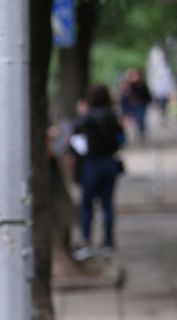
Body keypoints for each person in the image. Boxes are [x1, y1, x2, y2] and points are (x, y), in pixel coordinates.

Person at [71, 84, 125, 261]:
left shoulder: (89, 116)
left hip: (92, 164)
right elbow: (121, 139)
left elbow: (75, 129)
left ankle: (86, 241)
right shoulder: (113, 115)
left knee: (87, 205)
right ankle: (107, 242)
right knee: (107, 205)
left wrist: (82, 113)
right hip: (109, 163)